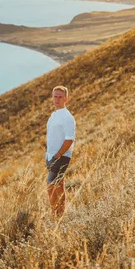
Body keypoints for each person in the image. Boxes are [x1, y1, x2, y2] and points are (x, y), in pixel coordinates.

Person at [46, 85, 76, 217]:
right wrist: (48, 155)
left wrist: (58, 155)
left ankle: (56, 213)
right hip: (51, 156)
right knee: (58, 185)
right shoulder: (53, 115)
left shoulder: (67, 117)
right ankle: (60, 213)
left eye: (60, 97)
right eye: (55, 96)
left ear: (66, 99)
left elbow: (70, 140)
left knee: (51, 185)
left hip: (61, 156)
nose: (57, 99)